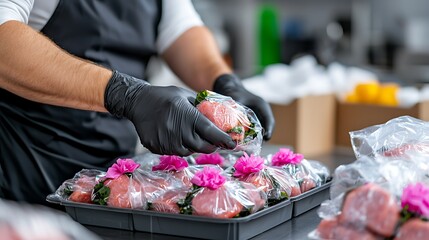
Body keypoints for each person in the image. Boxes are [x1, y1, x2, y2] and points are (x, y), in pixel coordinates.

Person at [0, 0, 275, 205]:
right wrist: (126, 94)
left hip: (110, 187)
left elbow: (180, 29)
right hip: (23, 179)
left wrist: (223, 82)